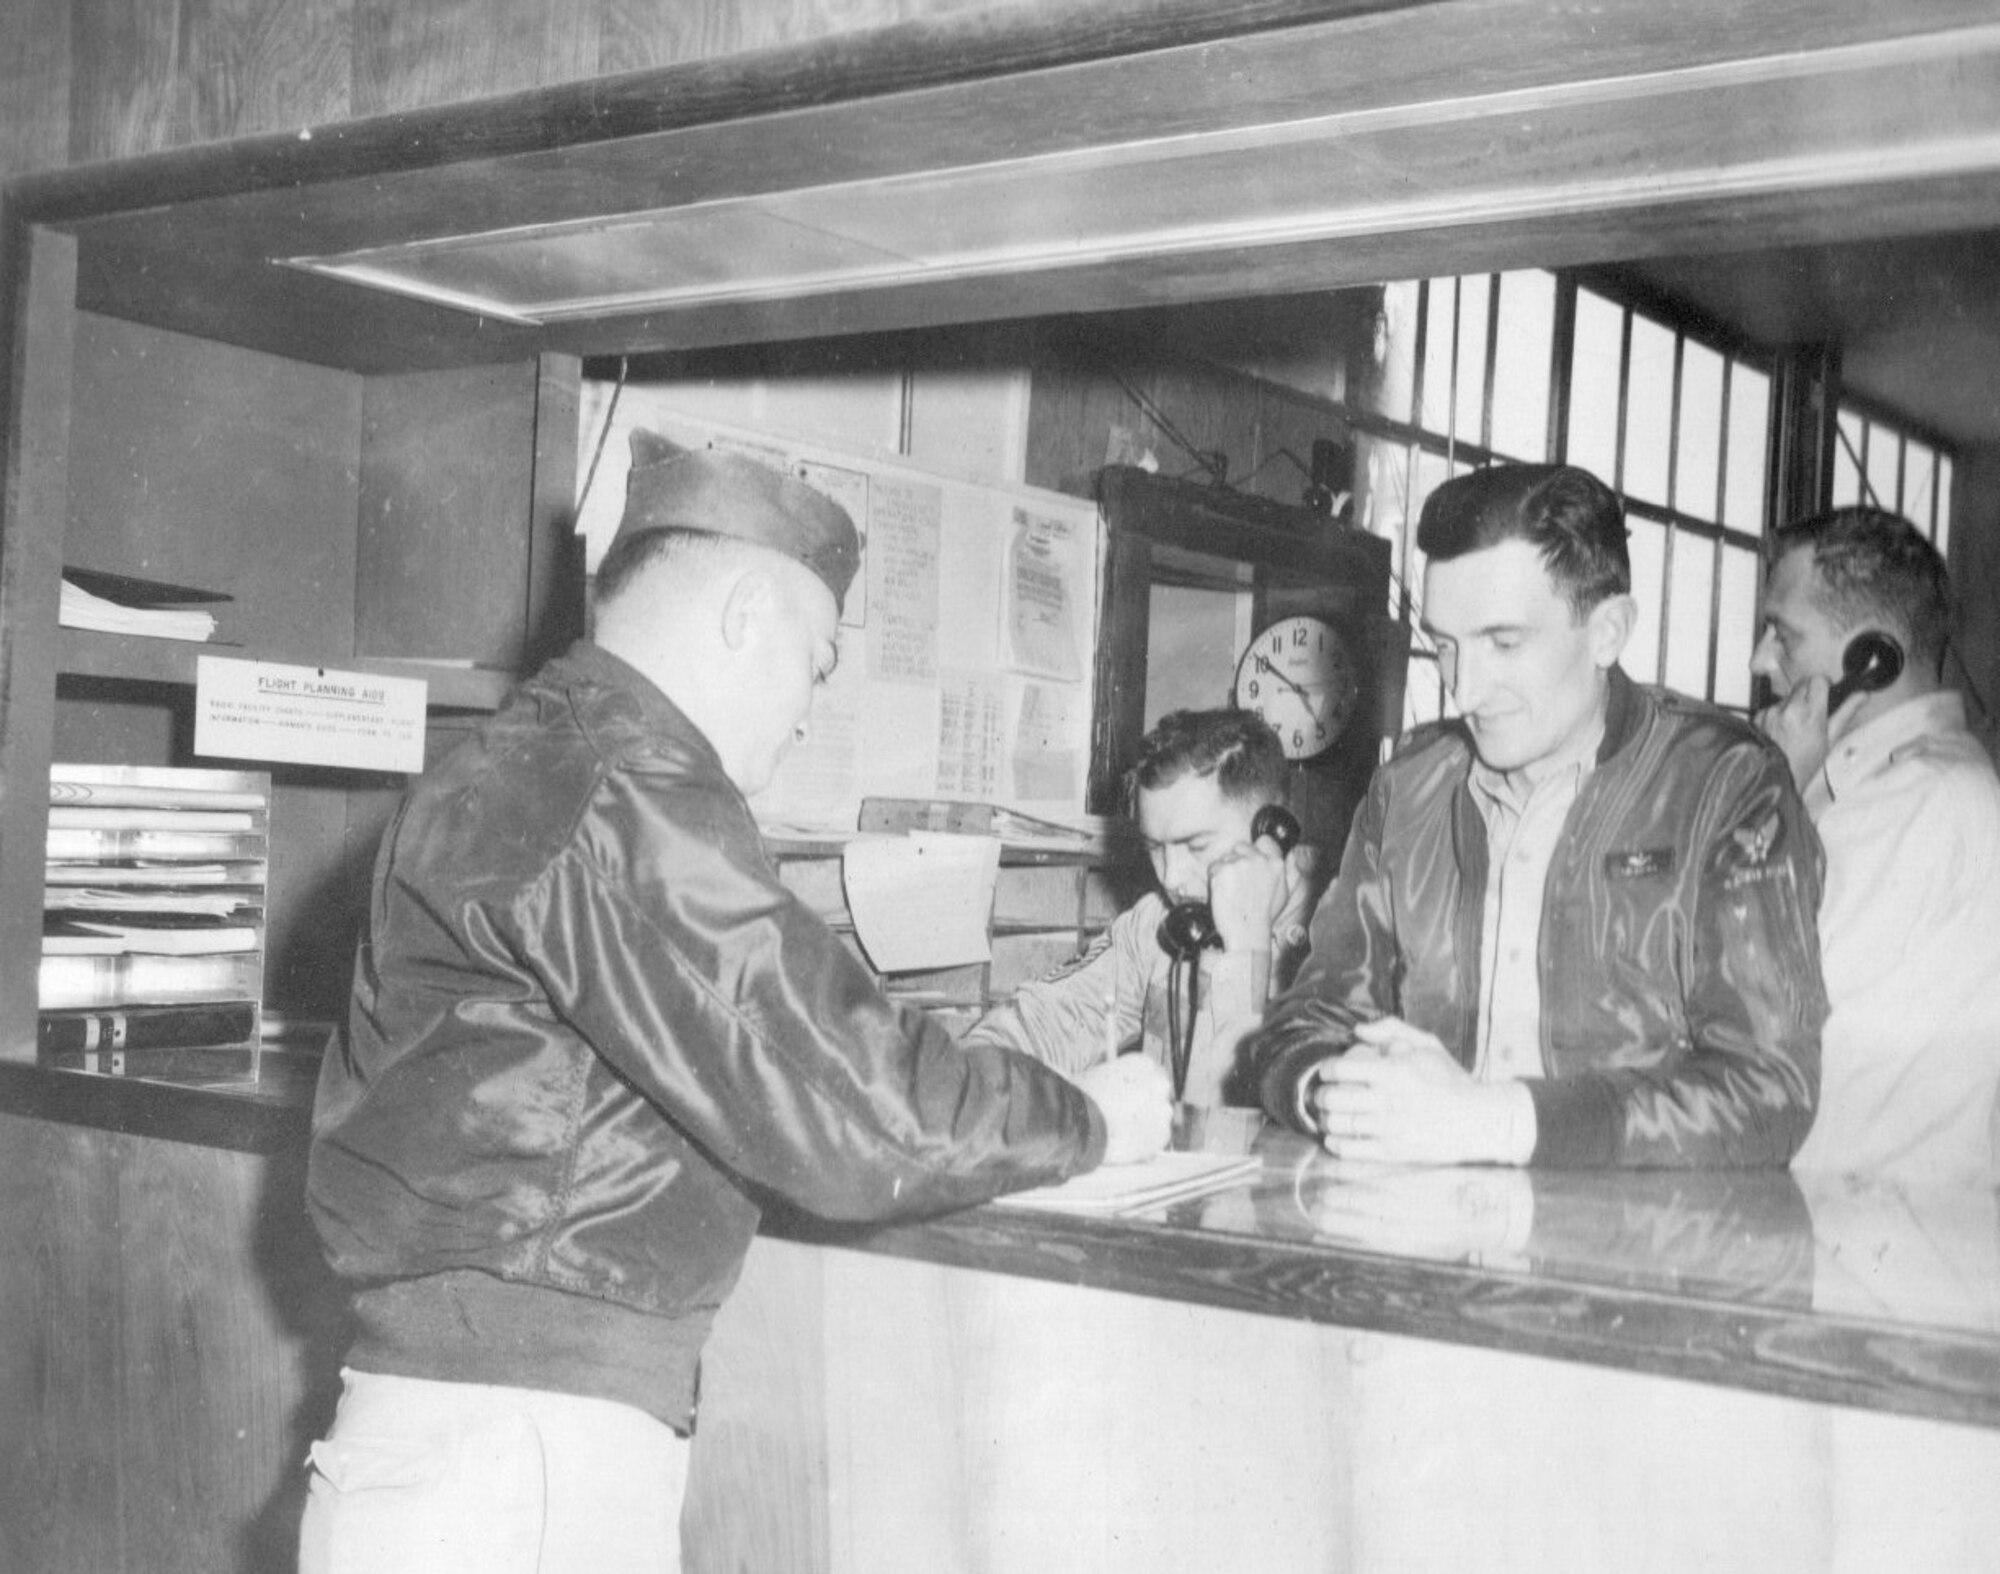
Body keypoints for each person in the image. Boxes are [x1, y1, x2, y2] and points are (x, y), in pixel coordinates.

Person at [298, 428, 1173, 1574]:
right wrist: (1089, 1114)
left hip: (453, 1436)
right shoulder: (625, 786)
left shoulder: (518, 756)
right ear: (746, 610)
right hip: (524, 1456)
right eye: (816, 660)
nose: (811, 706)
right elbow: (859, 1107)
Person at [1250, 462, 1827, 1167]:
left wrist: (1493, 1122)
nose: (1463, 691)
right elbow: (1307, 1021)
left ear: (1608, 630)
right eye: (1446, 645)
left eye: (1504, 643)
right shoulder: (1407, 790)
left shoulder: (1727, 782)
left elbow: (1770, 1088)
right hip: (1431, 1235)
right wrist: (1333, 1094)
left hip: (1641, 1254)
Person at [1752, 503, 2000, 1181]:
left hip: (1869, 1236)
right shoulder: (1880, 788)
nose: (1761, 660)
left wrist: (1775, 792)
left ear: (1872, 657)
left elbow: (1758, 1003)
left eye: (1783, 635)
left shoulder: (1919, 801)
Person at [959, 707, 1316, 1108]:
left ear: (1272, 828)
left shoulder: (1341, 938)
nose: (1173, 878)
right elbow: (1047, 1020)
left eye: (1196, 846)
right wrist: (967, 1084)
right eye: (1155, 849)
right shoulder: (1157, 925)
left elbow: (1218, 1124)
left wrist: (1244, 946)